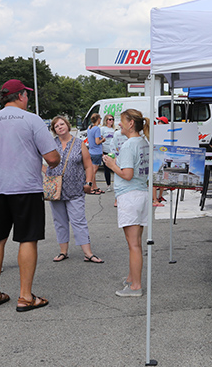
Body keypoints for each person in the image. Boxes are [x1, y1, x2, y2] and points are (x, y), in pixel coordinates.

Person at [0, 79, 60, 312]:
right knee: (27, 239)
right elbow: (52, 158)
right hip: (25, 187)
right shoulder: (32, 120)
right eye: (27, 95)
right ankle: (25, 296)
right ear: (21, 95)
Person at [102, 109, 151, 297]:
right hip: (141, 194)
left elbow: (127, 174)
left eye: (121, 121)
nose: (119, 124)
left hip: (130, 196)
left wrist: (112, 165)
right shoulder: (142, 142)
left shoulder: (130, 144)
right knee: (136, 242)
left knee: (134, 245)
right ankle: (132, 278)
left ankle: (135, 286)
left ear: (131, 123)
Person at [46, 116, 103, 264]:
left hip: (75, 188)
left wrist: (89, 182)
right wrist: (47, 174)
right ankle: (63, 251)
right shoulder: (50, 145)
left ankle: (88, 253)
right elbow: (39, 161)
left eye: (62, 124)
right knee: (59, 221)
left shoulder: (79, 144)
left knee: (79, 220)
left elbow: (88, 165)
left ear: (67, 125)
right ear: (54, 130)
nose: (60, 127)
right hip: (56, 190)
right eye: (56, 126)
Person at [86, 113, 105, 194]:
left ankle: (95, 187)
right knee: (93, 171)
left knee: (93, 170)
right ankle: (91, 187)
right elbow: (97, 142)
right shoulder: (97, 128)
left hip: (91, 151)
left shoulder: (89, 128)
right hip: (97, 152)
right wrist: (102, 140)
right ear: (98, 119)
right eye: (100, 118)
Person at [99, 114, 117, 192]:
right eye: (109, 119)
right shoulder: (103, 129)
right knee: (107, 169)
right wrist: (101, 152)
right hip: (105, 150)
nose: (111, 121)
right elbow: (99, 140)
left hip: (113, 151)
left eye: (112, 119)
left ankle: (116, 185)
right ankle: (108, 185)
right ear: (106, 120)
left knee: (115, 168)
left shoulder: (114, 129)